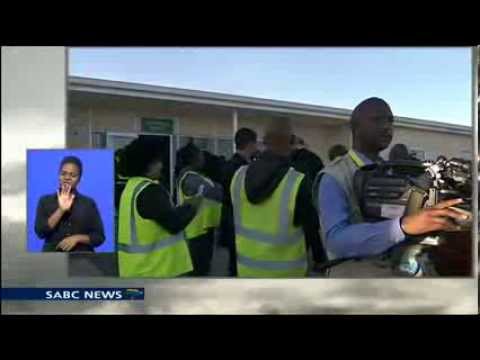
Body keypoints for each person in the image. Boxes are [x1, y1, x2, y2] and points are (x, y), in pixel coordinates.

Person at [314, 97, 468, 277]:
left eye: (390, 121)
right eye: (377, 120)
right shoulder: (334, 176)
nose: (387, 126)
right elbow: (336, 241)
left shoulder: (392, 170)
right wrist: (402, 227)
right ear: (355, 127)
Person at [230, 117, 313, 278]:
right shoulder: (297, 181)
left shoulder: (238, 176)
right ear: (292, 141)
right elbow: (311, 231)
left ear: (264, 141)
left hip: (247, 272)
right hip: (287, 278)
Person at [117, 136, 200, 278]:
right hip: (157, 270)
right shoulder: (151, 191)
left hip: (136, 269)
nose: (161, 166)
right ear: (148, 165)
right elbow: (174, 224)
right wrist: (192, 205)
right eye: (158, 161)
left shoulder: (131, 187)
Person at [34, 156, 105, 252]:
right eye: (63, 174)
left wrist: (77, 238)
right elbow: (40, 233)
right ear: (59, 175)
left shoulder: (88, 203)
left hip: (82, 258)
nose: (67, 178)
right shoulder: (45, 201)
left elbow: (99, 237)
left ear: (79, 179)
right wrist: (61, 210)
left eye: (73, 175)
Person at [176, 141, 223, 276]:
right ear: (193, 159)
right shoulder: (191, 178)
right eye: (200, 155)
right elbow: (216, 191)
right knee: (198, 271)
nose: (203, 159)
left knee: (202, 268)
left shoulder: (197, 175)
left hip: (203, 229)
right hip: (196, 232)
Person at [220, 128, 259, 276]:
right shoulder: (241, 168)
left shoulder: (230, 164)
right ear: (250, 144)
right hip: (238, 220)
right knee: (238, 263)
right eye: (255, 143)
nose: (257, 147)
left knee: (235, 260)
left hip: (231, 218)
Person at [289, 134, 328, 270]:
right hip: (311, 201)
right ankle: (320, 261)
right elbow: (321, 178)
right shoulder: (314, 158)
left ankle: (299, 260)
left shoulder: (289, 160)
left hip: (292, 201)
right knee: (312, 233)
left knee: (300, 234)